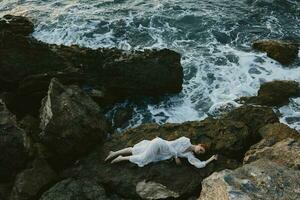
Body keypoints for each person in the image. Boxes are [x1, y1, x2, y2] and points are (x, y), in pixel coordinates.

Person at [105, 136, 218, 168]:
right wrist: (176, 156)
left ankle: (114, 153)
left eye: (201, 153)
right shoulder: (185, 140)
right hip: (160, 144)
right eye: (201, 149)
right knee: (142, 158)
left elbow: (198, 165)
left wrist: (211, 159)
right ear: (199, 145)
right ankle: (119, 157)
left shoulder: (189, 155)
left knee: (136, 150)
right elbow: (169, 144)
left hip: (160, 154)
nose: (199, 152)